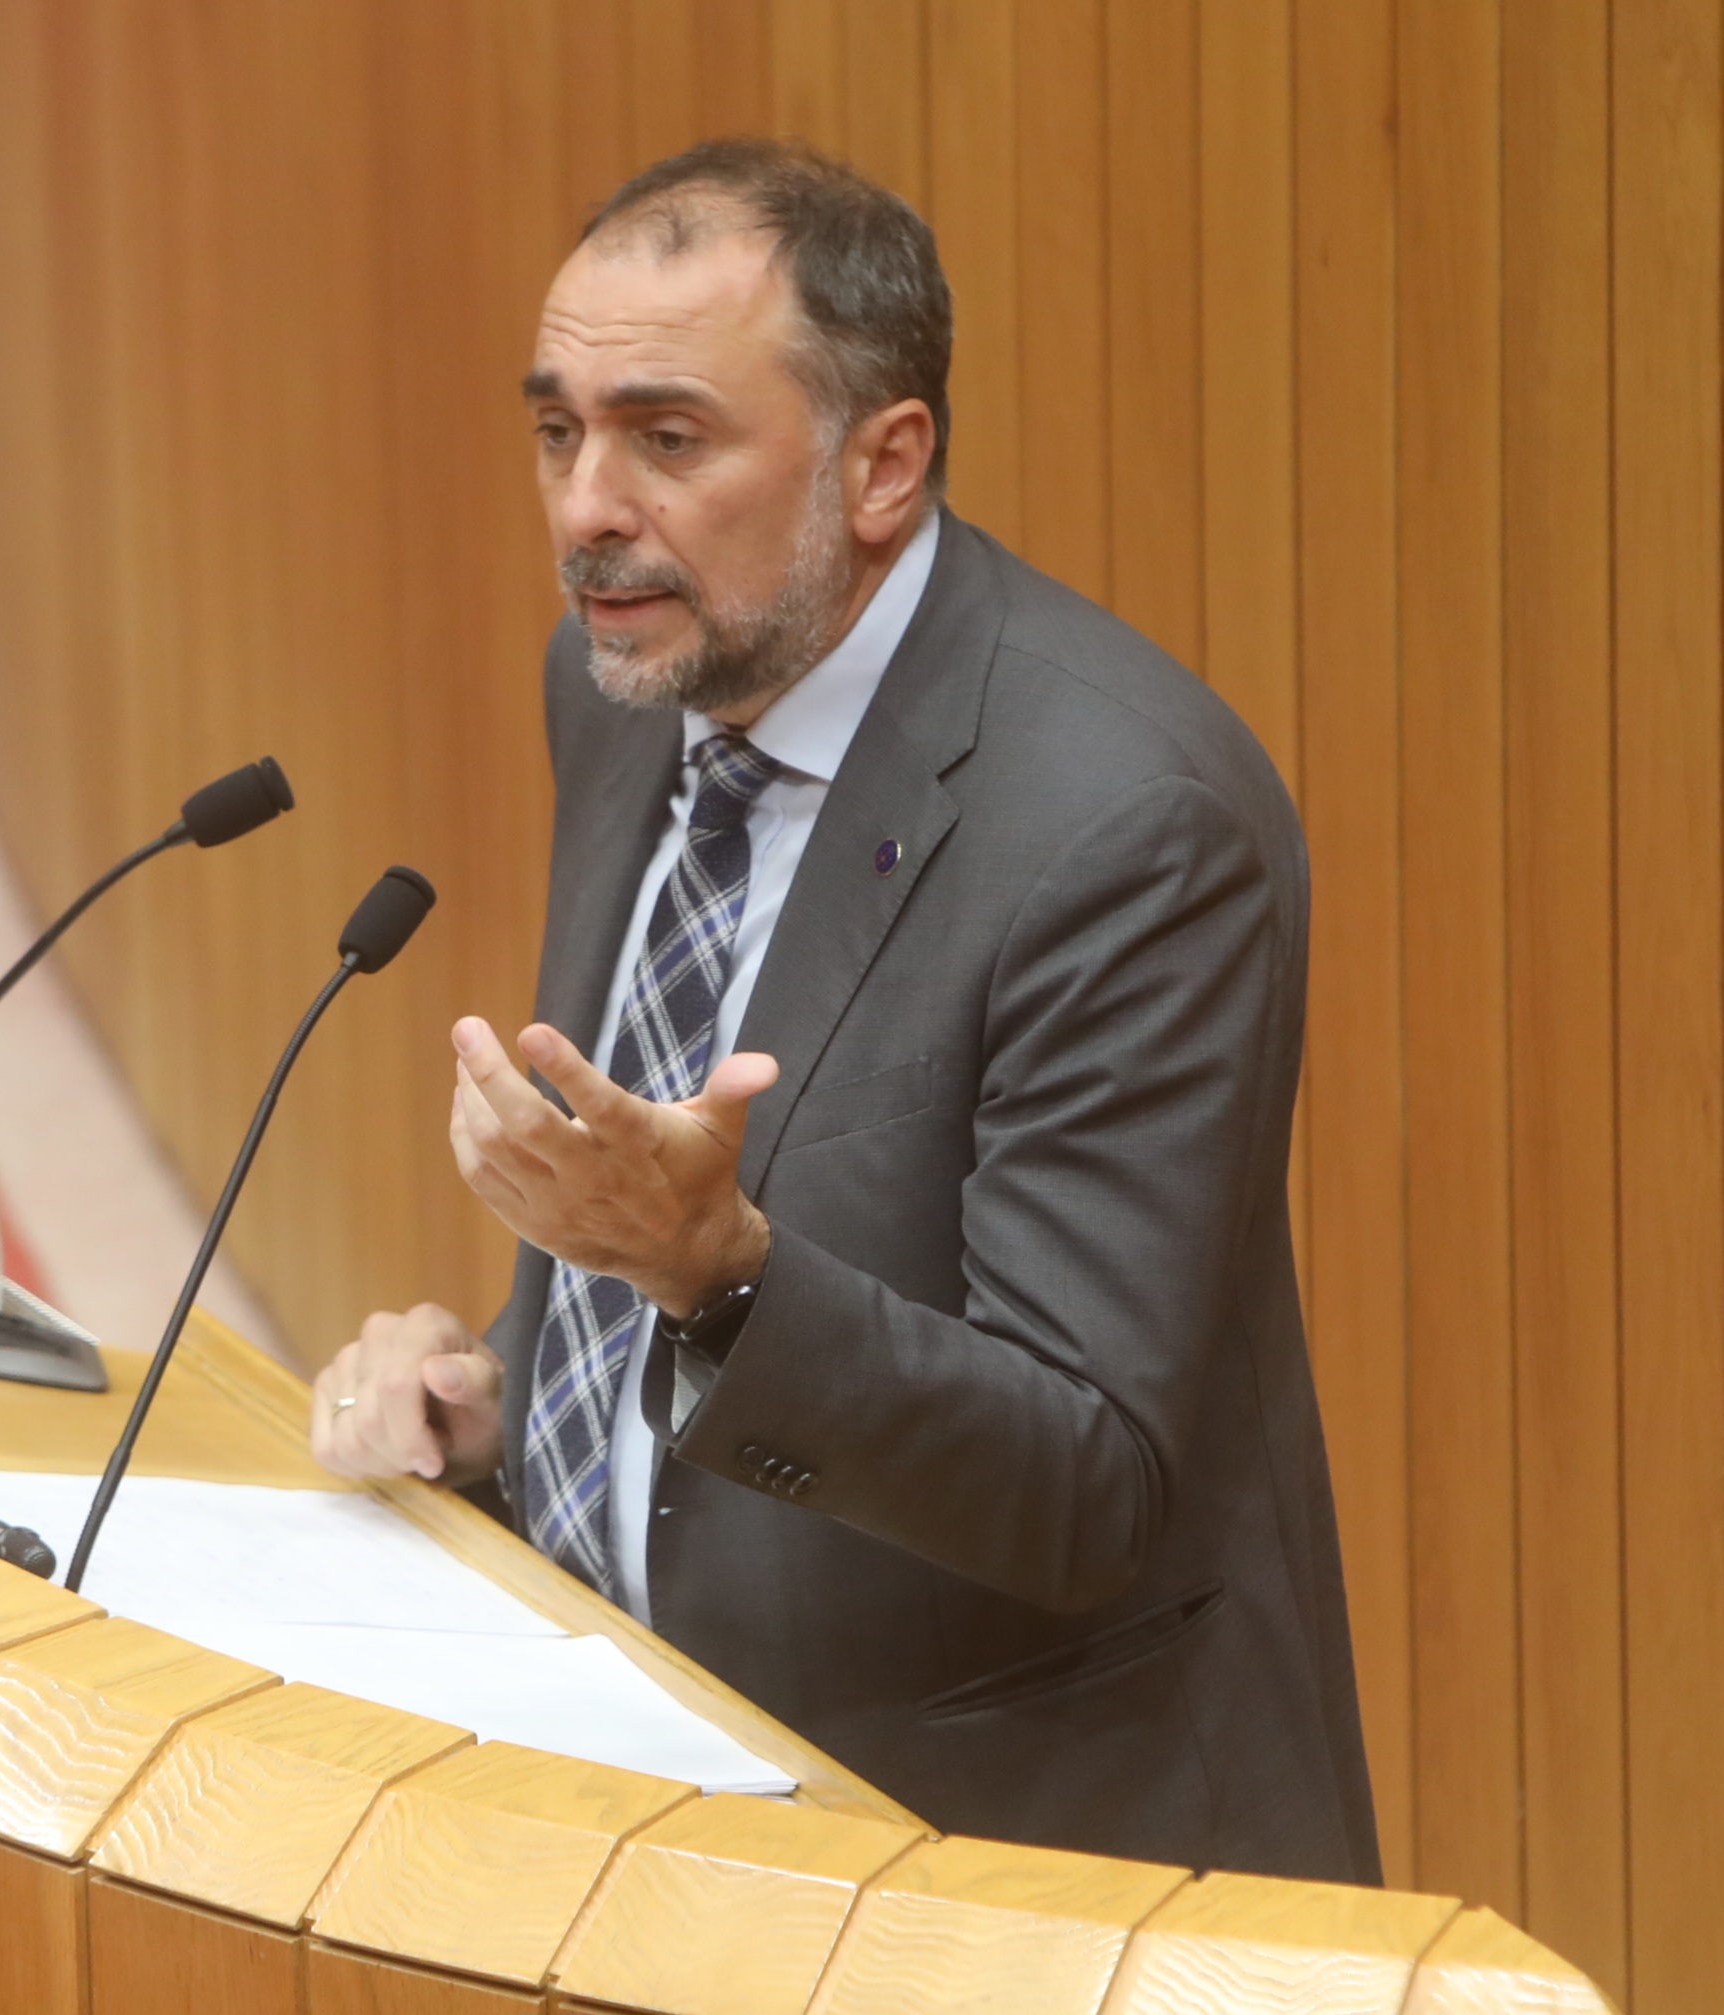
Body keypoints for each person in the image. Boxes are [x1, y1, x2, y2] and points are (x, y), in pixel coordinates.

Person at [306, 138, 1379, 1882]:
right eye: (558, 431)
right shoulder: (633, 676)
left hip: (996, 1853)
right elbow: (684, 1210)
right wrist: (515, 1402)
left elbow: (1082, 1481)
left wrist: (709, 1276)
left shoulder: (1123, 826)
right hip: (643, 1776)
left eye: (666, 438)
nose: (584, 509)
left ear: (881, 464)